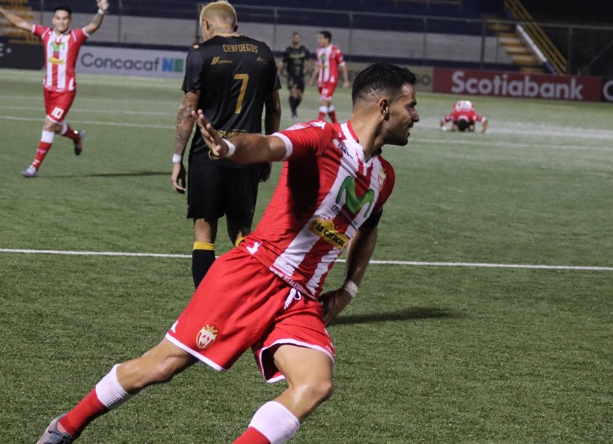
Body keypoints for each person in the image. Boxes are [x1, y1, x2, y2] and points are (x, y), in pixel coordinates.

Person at [35, 62, 420, 444]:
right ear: (384, 107)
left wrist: (349, 289)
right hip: (253, 272)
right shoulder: (323, 137)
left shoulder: (383, 177)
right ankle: (65, 427)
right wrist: (229, 146)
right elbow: (270, 144)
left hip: (299, 299)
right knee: (161, 366)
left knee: (316, 384)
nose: (415, 117)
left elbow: (367, 230)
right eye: (411, 106)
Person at [171, 0, 281, 288]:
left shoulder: (200, 53)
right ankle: (252, 297)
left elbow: (188, 110)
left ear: (206, 24)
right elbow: (276, 108)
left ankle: (205, 306)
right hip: (249, 152)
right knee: (242, 231)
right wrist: (266, 153)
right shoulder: (263, 52)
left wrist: (176, 159)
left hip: (207, 154)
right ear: (235, 25)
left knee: (204, 231)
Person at [0, 0, 110, 177]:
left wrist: (101, 11)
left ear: (70, 20)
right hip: (48, 89)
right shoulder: (45, 33)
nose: (61, 22)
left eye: (65, 18)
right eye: (58, 18)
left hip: (65, 91)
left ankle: (34, 167)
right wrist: (2, 10)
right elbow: (20, 23)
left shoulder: (75, 37)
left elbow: (94, 25)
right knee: (56, 126)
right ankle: (76, 136)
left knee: (49, 124)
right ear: (53, 20)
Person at [308, 30, 349, 123]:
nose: (319, 40)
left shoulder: (335, 51)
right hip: (321, 81)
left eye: (321, 38)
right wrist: (312, 79)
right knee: (327, 102)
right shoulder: (319, 51)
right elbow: (318, 66)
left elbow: (343, 66)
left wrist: (346, 80)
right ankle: (336, 124)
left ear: (327, 39)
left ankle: (318, 122)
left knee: (324, 100)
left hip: (331, 80)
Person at [278, 32, 310, 119]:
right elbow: (283, 62)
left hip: (300, 76)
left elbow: (307, 61)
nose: (296, 39)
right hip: (291, 75)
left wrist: (306, 69)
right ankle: (293, 112)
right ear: (292, 39)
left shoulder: (304, 50)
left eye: (297, 38)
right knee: (292, 92)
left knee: (299, 96)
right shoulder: (288, 50)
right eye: (294, 38)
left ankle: (294, 109)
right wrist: (279, 71)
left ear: (299, 39)